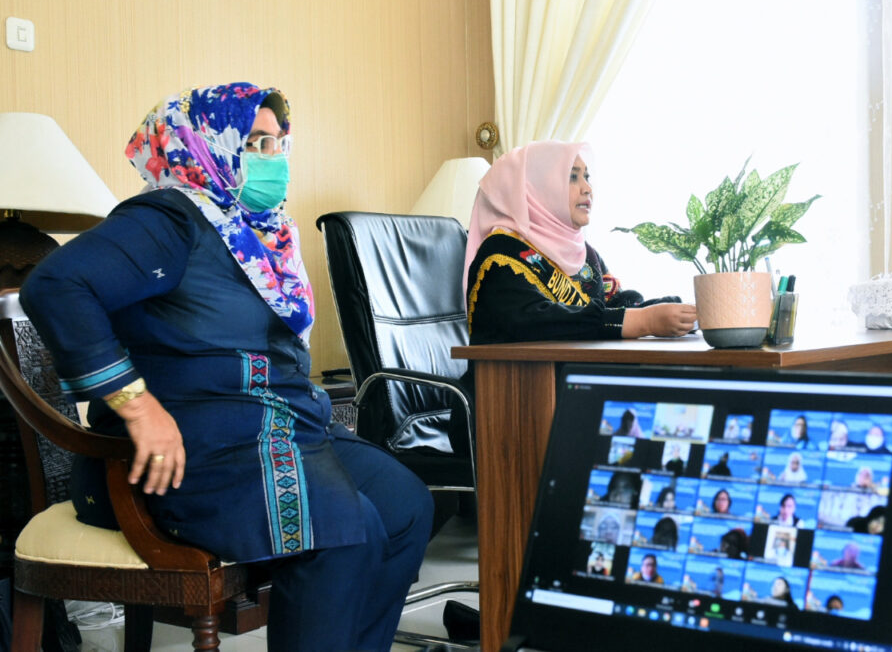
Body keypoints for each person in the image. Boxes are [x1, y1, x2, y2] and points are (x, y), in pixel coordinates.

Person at [19, 83, 433, 652]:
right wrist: (138, 408)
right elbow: (56, 285)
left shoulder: (260, 236)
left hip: (279, 428)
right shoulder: (170, 218)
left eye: (278, 143)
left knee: (407, 506)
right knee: (345, 528)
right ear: (207, 144)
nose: (272, 158)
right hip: (186, 448)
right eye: (254, 142)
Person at [462, 141, 696, 347]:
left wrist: (677, 312)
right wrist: (645, 321)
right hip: (514, 381)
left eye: (587, 177)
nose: (587, 188)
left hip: (576, 377)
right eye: (572, 177)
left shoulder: (583, 253)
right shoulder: (501, 253)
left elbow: (614, 303)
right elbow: (540, 323)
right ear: (537, 187)